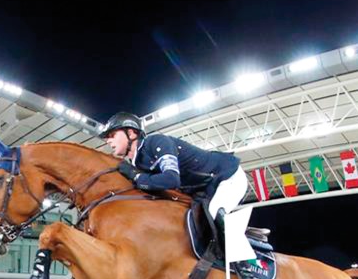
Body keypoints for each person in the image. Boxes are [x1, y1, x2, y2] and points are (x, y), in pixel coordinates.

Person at [99, 112, 252, 269]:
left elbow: (171, 179)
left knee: (214, 211)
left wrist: (136, 177)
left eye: (112, 134)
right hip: (203, 190)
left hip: (227, 176)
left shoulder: (156, 142)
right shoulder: (137, 162)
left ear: (131, 133)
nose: (108, 140)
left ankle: (247, 271)